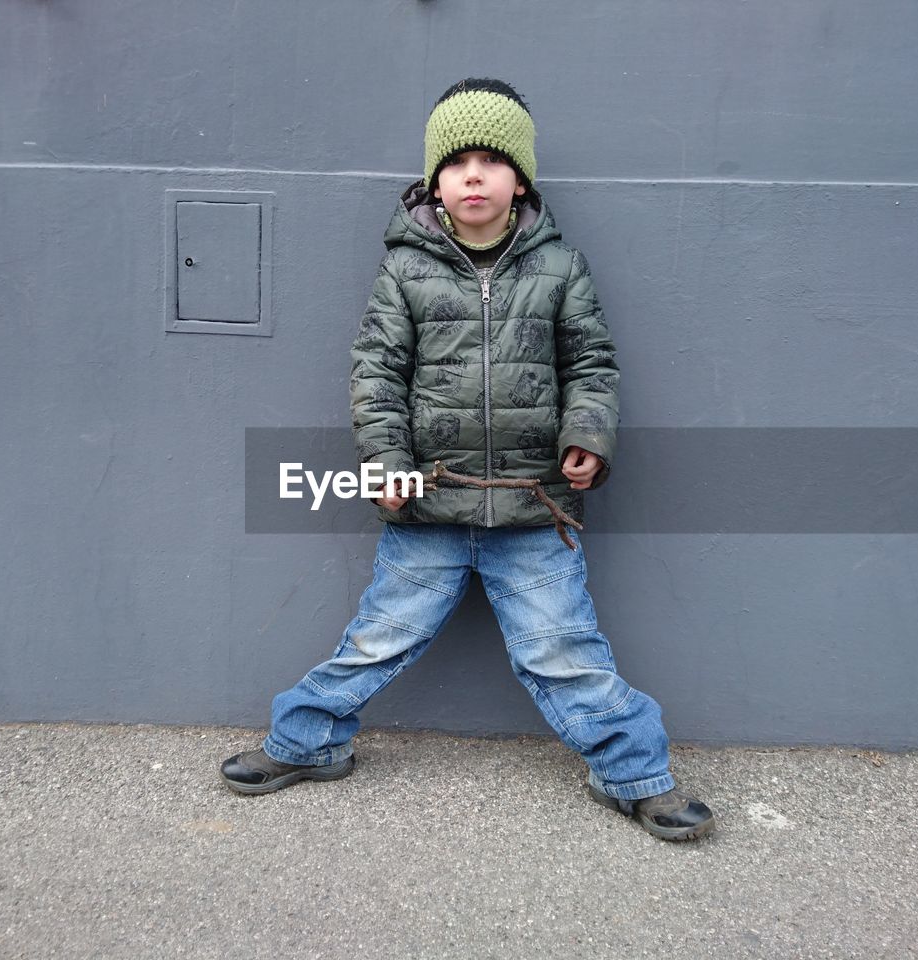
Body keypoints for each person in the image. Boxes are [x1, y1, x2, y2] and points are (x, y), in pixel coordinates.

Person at [221, 78, 715, 841]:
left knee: (563, 650)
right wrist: (384, 461)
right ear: (435, 182)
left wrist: (588, 436)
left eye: (492, 160)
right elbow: (376, 371)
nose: (474, 175)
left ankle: (635, 774)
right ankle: (306, 741)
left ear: (520, 179)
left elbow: (592, 362)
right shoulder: (405, 269)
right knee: (379, 637)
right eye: (457, 162)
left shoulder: (560, 267)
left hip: (532, 510)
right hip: (428, 506)